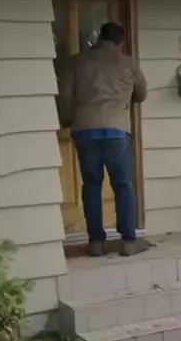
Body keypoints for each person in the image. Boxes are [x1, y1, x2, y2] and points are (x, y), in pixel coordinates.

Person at [57, 23, 147, 256]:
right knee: (123, 186)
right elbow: (141, 94)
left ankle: (96, 243)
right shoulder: (127, 63)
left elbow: (65, 95)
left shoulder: (78, 62)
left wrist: (67, 120)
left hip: (85, 131)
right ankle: (128, 241)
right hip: (116, 130)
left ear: (98, 38)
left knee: (91, 186)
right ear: (121, 41)